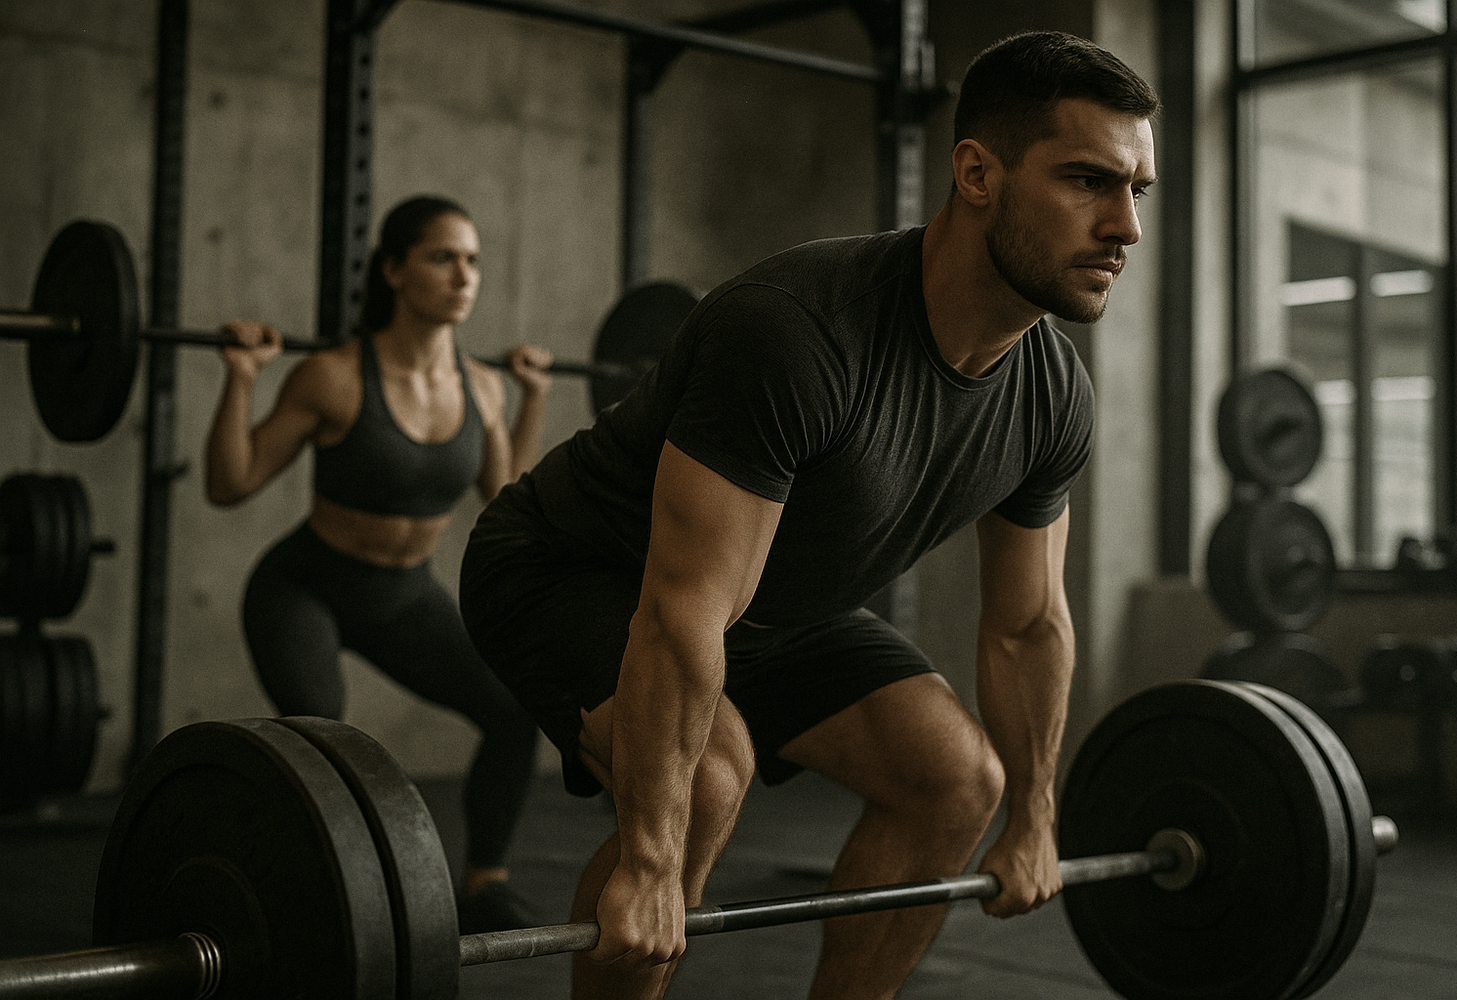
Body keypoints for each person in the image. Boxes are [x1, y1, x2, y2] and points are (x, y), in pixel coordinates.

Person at [460, 29, 1158, 999]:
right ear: (976, 174)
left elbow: (1027, 623)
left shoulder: (1052, 397)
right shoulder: (798, 332)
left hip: (770, 604)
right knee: (704, 784)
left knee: (958, 781)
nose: (1126, 226)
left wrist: (1036, 815)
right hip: (572, 569)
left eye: (1137, 190)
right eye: (1088, 181)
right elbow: (682, 609)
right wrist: (651, 861)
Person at [204, 195, 554, 933]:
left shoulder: (482, 386)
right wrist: (241, 377)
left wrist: (533, 399)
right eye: (442, 257)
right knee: (321, 739)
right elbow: (230, 483)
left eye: (473, 260)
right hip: (306, 586)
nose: (464, 275)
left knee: (513, 709)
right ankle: (289, 896)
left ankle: (485, 883)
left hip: (404, 597)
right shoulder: (332, 376)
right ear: (393, 271)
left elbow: (505, 496)